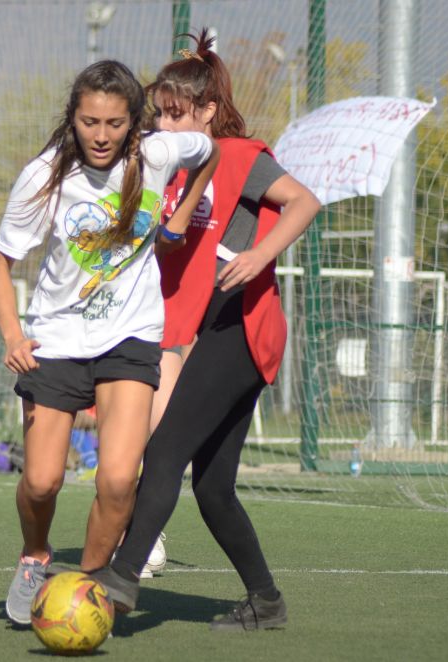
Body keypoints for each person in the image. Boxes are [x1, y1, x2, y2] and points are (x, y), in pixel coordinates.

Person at [92, 31, 321, 631]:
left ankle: (120, 581)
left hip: (244, 327)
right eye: (159, 112)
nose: (164, 124)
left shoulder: (241, 156)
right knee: (214, 488)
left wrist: (258, 254)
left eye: (175, 112)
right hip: (213, 332)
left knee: (164, 451)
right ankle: (266, 602)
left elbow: (304, 201)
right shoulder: (172, 173)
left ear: (208, 112)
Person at [0, 59, 219, 626]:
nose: (101, 135)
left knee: (118, 480)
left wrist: (180, 217)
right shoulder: (45, 175)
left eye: (115, 123)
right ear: (73, 117)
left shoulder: (159, 153)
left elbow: (207, 152)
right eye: (90, 121)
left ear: (133, 122)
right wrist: (14, 335)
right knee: (42, 481)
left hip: (132, 337)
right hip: (56, 340)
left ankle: (85, 588)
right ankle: (35, 555)